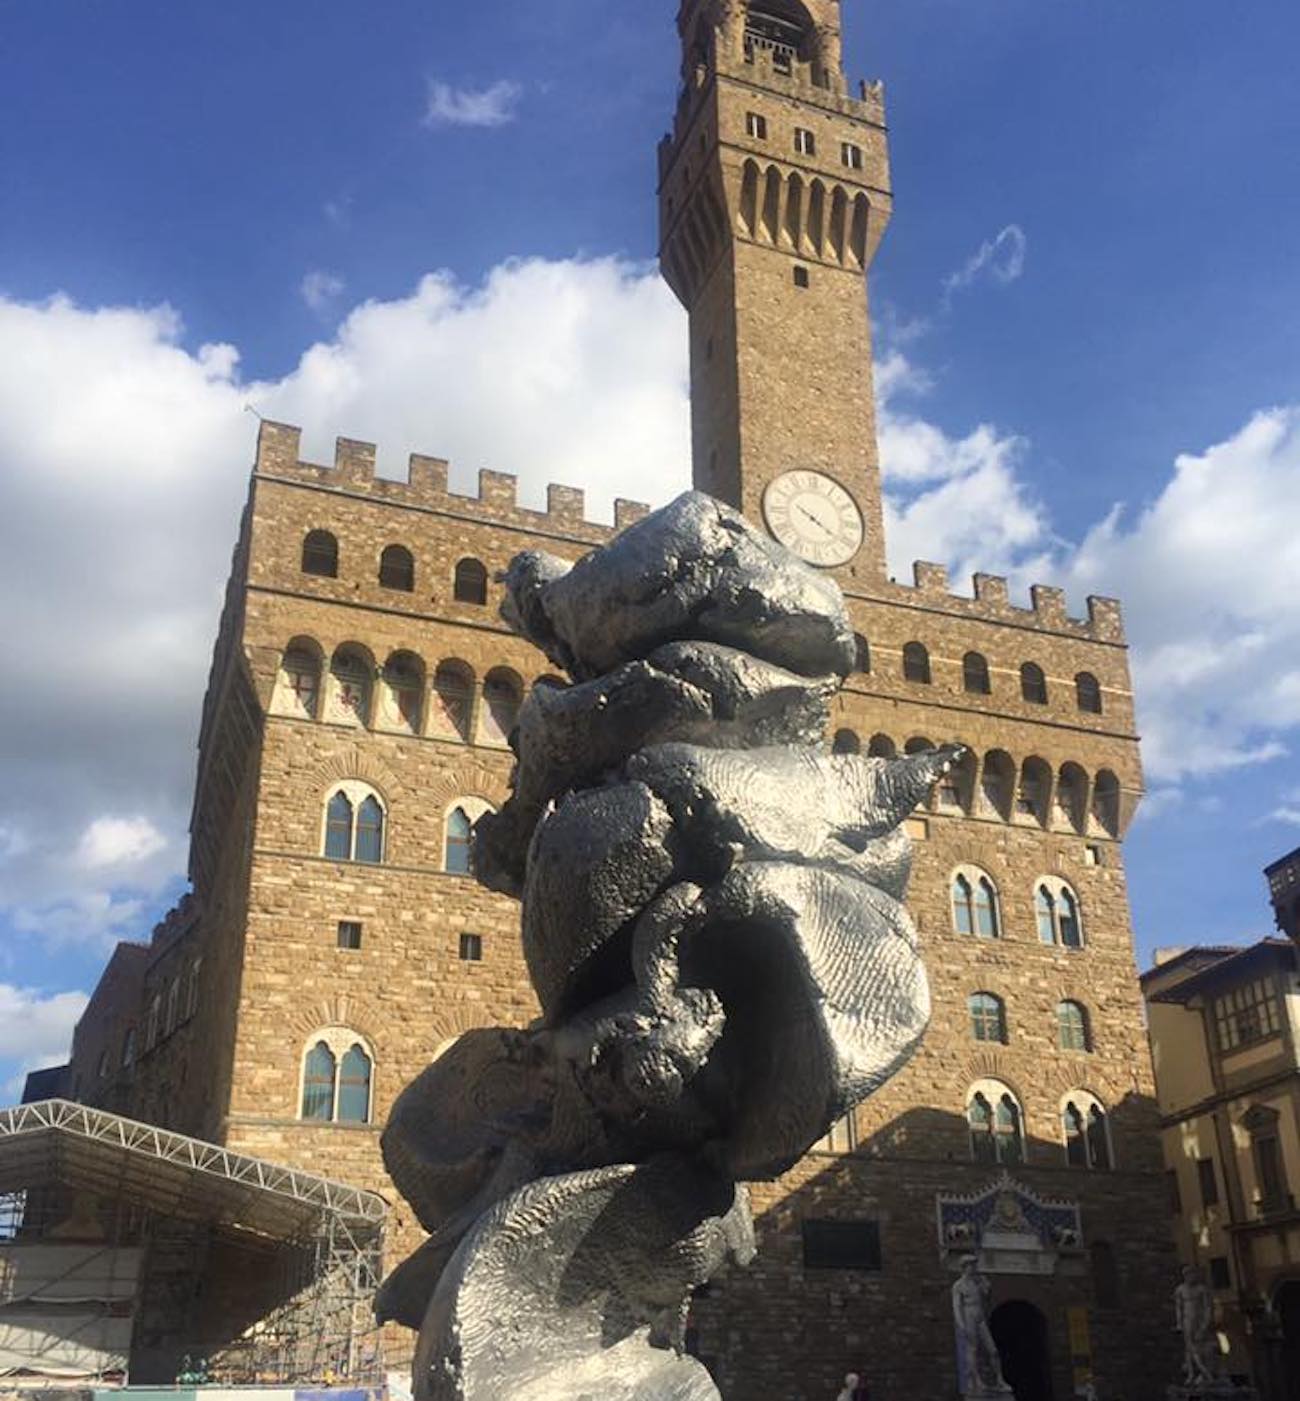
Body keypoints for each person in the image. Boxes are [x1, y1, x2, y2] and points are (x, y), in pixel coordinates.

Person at [952, 1255, 1012, 1394]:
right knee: (973, 1350)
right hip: (969, 1315)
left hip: (981, 1317)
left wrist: (986, 1286)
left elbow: (986, 1298)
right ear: (964, 1268)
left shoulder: (978, 1282)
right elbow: (957, 1306)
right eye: (971, 1265)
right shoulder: (958, 1286)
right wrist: (961, 1325)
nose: (973, 1268)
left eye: (974, 1265)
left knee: (993, 1350)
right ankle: (976, 1381)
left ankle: (1000, 1380)